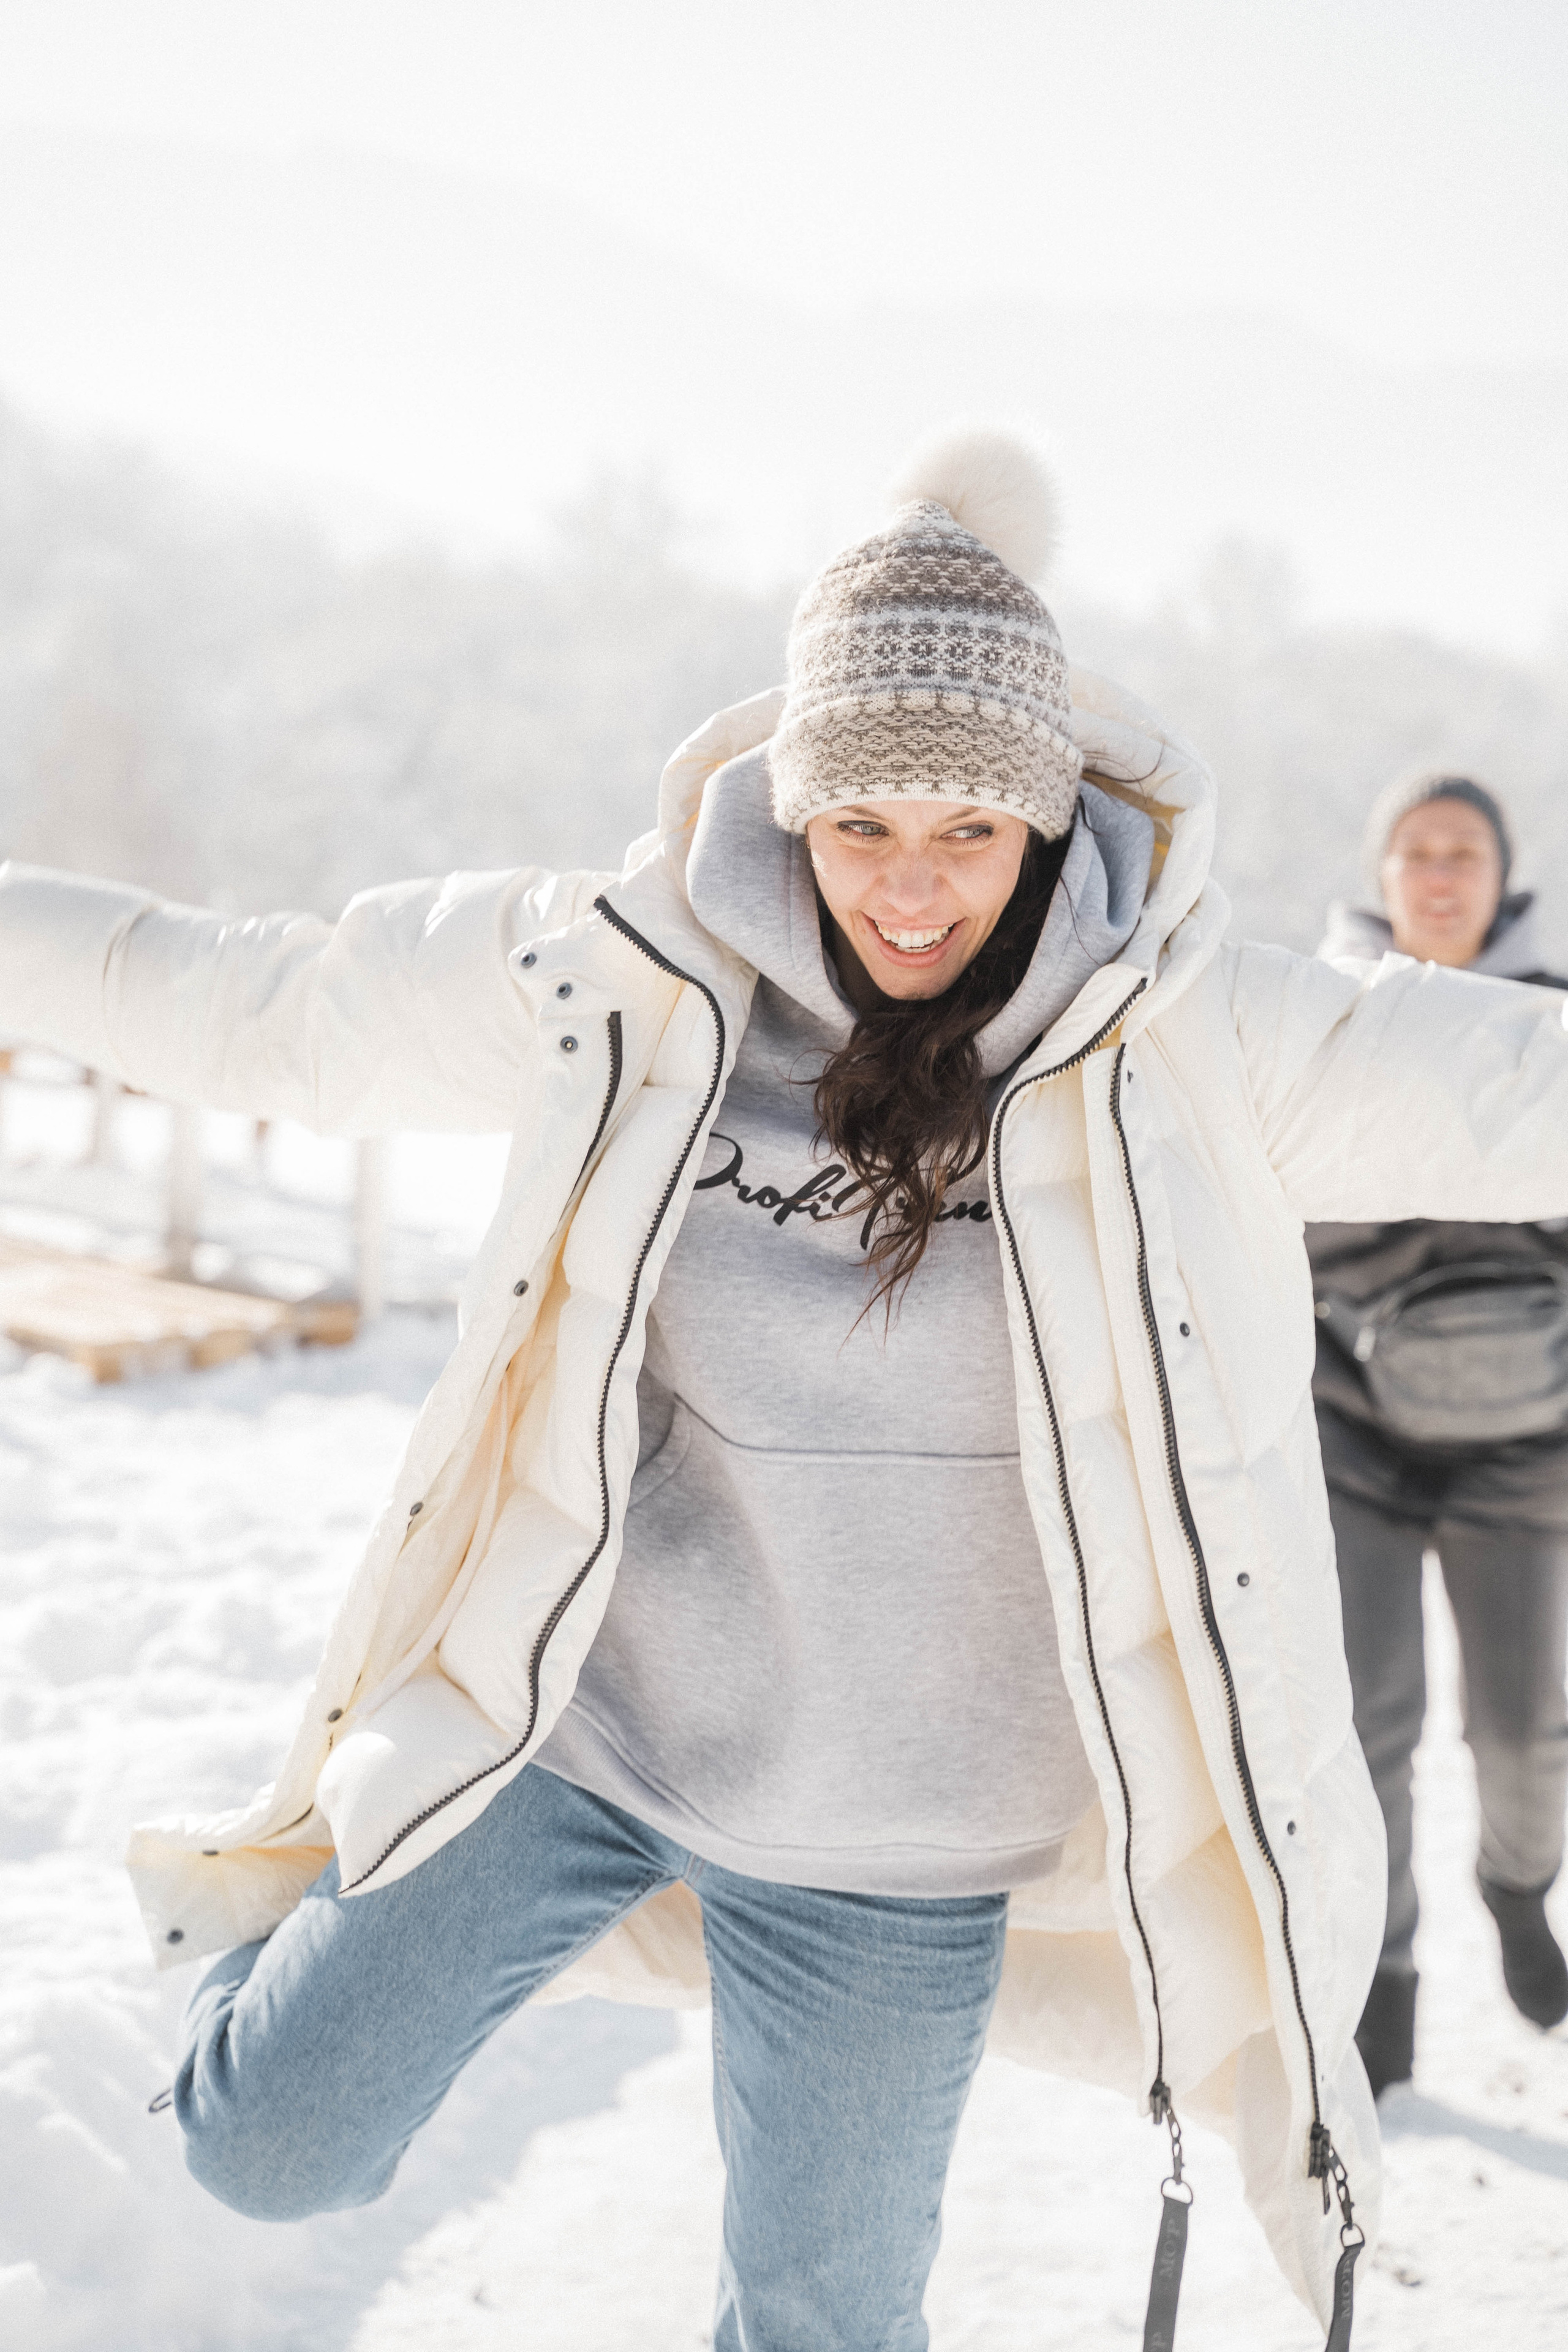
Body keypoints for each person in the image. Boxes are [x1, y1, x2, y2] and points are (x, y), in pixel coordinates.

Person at [7, 428, 1568, 2350]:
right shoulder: (627, 977)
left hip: (900, 1844)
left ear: (1050, 820)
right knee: (264, 2150)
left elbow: (1509, 1087)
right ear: (791, 806)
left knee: (819, 2328)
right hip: (588, 1727)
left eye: (971, 836)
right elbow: (252, 997)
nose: (913, 893)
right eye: (863, 830)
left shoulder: (1183, 1038)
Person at [1310, 774, 1568, 2099]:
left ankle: (1517, 1888)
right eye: (1413, 852)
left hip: (1527, 1439)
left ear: (1501, 875)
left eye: (1462, 852)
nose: (1438, 874)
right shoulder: (1320, 1019)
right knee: (1365, 1725)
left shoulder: (1555, 1020)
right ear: (1381, 874)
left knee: (1524, 1731)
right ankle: (1381, 1965)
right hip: (1348, 1426)